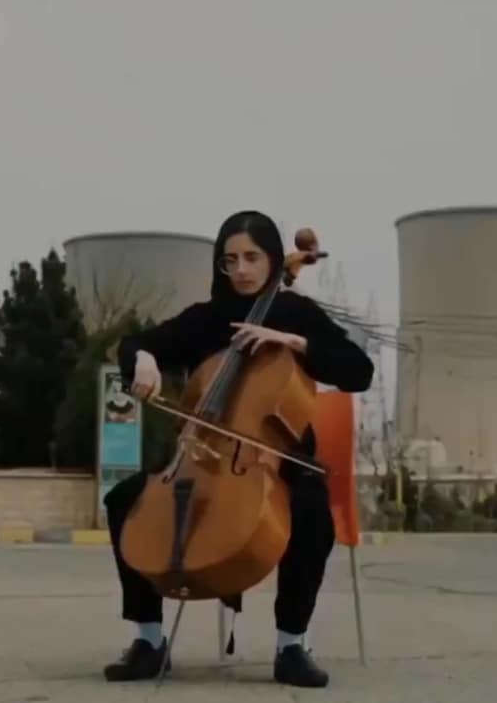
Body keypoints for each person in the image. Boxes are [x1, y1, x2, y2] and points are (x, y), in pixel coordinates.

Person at [102, 210, 373, 688]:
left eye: (252, 257)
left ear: (273, 260)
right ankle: (148, 640)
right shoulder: (207, 319)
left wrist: (289, 340)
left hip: (280, 462)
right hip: (200, 454)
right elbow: (139, 343)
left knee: (311, 512)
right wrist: (141, 358)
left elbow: (358, 370)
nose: (242, 270)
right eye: (231, 260)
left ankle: (292, 645)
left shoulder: (296, 312)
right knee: (124, 499)